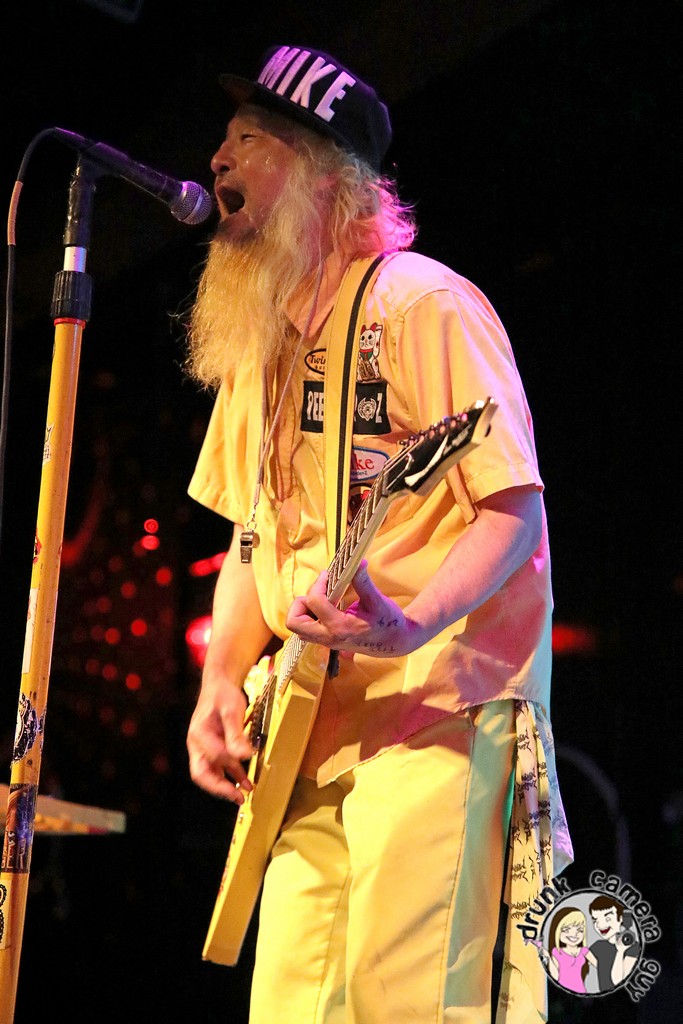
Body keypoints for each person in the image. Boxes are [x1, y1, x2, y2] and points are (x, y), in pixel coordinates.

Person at [184, 44, 572, 1024]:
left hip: (433, 716)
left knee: (404, 1005)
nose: (218, 158)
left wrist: (409, 623)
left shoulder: (419, 303)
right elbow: (253, 534)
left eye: (250, 140)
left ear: (325, 175)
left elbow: (510, 507)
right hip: (306, 733)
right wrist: (220, 677)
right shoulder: (258, 344)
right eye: (223, 139)